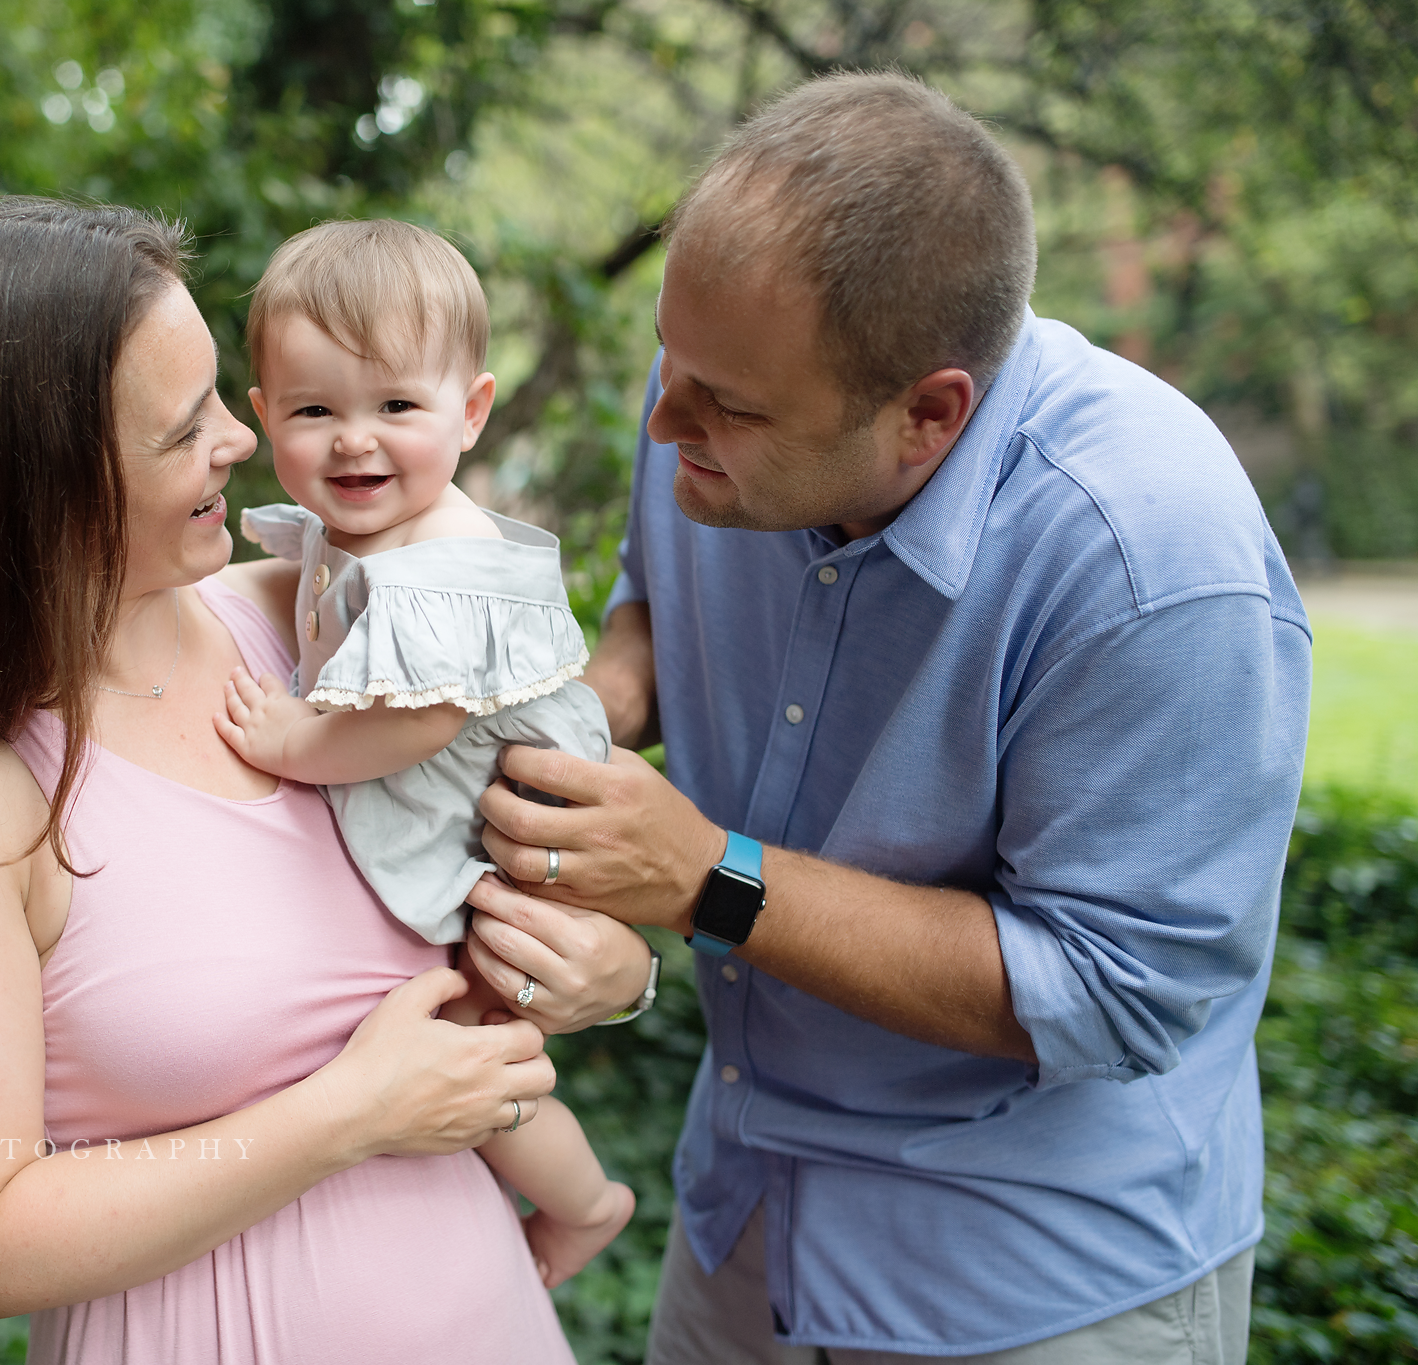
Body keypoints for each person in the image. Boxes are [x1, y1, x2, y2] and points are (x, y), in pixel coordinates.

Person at [473, 73, 1312, 1362]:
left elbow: (1109, 994)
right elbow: (660, 592)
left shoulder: (1148, 559)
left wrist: (706, 882)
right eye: (669, 363)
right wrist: (605, 701)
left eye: (725, 409)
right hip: (739, 1217)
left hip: (1033, 1285)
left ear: (927, 415)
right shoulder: (721, 380)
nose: (662, 421)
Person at [0, 197, 576, 1363]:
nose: (242, 440)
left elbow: (500, 848)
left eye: (218, 392)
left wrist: (588, 967)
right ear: (36, 487)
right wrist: (349, 1117)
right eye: (181, 426)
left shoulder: (302, 624)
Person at [215, 218, 636, 1288]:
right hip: (461, 802)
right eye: (314, 411)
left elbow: (418, 722)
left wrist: (291, 740)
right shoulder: (352, 533)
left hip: (503, 824)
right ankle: (519, 1201)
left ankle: (587, 1205)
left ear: (470, 411)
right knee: (458, 1043)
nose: (354, 440)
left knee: (478, 1040)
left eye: (396, 405)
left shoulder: (440, 556)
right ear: (265, 418)